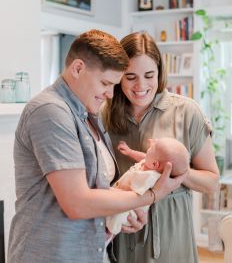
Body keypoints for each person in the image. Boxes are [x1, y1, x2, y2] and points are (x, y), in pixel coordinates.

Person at [7, 29, 186, 263]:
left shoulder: (88, 114)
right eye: (105, 83)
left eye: (114, 84)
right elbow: (77, 203)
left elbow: (95, 189)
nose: (110, 94)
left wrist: (121, 214)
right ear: (78, 68)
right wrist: (150, 196)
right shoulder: (50, 111)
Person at [102, 31, 220, 263]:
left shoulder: (187, 112)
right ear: (118, 76)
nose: (141, 86)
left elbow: (212, 182)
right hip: (124, 233)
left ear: (160, 72)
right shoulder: (104, 116)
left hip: (172, 233)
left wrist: (172, 171)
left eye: (149, 75)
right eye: (130, 77)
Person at [106, 137, 190, 235]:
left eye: (152, 148)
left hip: (129, 210)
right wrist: (130, 152)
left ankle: (110, 230)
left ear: (155, 164)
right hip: (122, 198)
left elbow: (133, 194)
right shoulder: (150, 163)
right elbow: (144, 157)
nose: (151, 145)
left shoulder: (148, 177)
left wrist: (110, 191)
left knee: (115, 217)